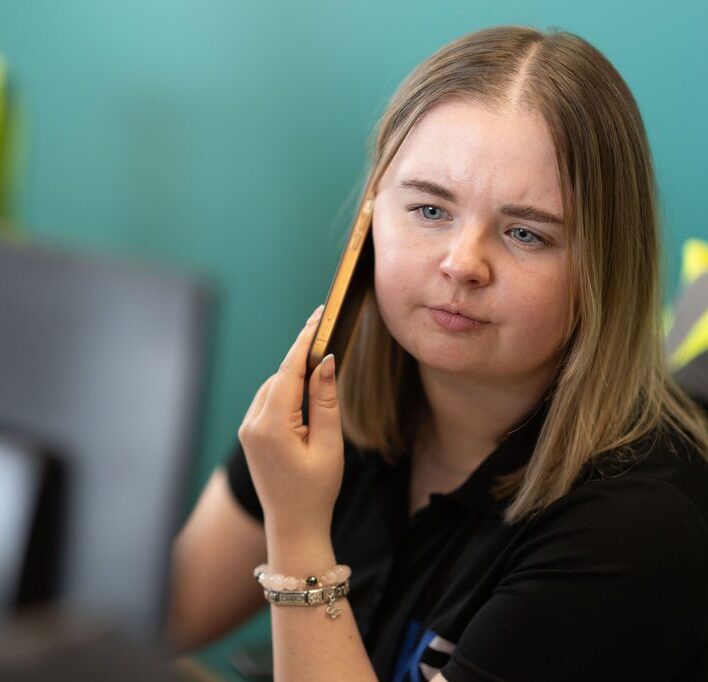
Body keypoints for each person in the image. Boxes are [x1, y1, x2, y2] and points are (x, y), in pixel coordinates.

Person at [167, 25, 708, 681]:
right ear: (371, 222)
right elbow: (162, 618)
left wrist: (300, 533)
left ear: (604, 270)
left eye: (525, 233)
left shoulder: (635, 527)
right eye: (429, 210)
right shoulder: (328, 409)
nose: (462, 262)